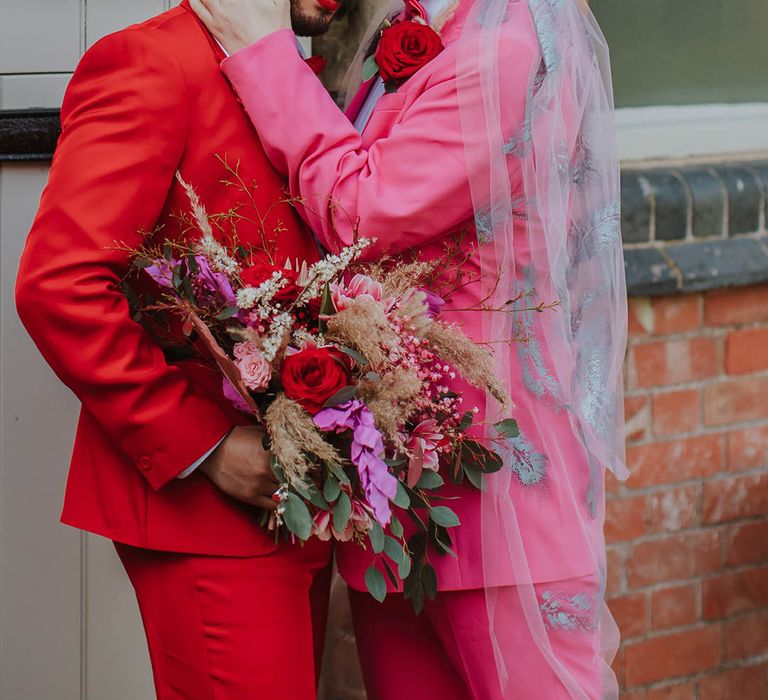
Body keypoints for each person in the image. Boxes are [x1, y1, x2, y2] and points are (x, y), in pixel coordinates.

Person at [191, 0, 629, 698]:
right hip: (401, 495)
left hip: (499, 500)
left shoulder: (507, 47)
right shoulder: (419, 27)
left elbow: (365, 211)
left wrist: (261, 50)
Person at [14, 1, 341, 698]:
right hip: (206, 510)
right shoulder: (150, 60)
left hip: (301, 497)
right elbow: (58, 285)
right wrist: (209, 449)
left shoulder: (304, 68)